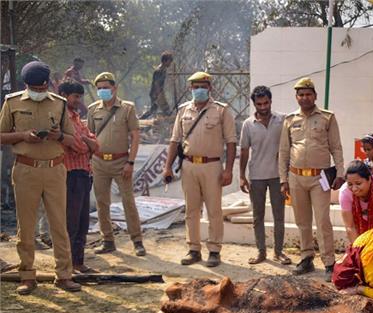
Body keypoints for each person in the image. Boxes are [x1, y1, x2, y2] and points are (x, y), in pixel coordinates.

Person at [0, 61, 81, 294]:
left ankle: (64, 275)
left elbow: (71, 140)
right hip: (26, 170)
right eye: (34, 87)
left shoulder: (60, 104)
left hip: (55, 169)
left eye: (42, 86)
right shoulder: (12, 102)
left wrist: (58, 136)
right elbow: (1, 135)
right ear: (26, 85)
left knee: (58, 224)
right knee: (26, 226)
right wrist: (23, 135)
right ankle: (27, 275)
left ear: (48, 83)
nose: (38, 91)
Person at [163, 71, 237, 267]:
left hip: (212, 166)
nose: (199, 90)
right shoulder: (183, 110)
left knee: (214, 210)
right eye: (196, 87)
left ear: (210, 87)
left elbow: (231, 142)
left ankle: (214, 250)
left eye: (203, 86)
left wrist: (228, 170)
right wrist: (167, 167)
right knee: (191, 210)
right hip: (188, 165)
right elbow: (174, 140)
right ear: (191, 89)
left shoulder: (221, 111)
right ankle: (193, 249)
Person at [279, 77, 345, 281]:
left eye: (308, 94)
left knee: (323, 220)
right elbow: (283, 151)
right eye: (301, 94)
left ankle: (329, 262)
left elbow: (336, 147)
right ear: (296, 97)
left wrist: (341, 173)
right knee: (302, 221)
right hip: (296, 177)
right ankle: (306, 257)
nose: (304, 97)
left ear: (315, 96)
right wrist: (283, 179)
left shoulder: (327, 117)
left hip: (320, 177)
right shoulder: (290, 120)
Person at [88, 72, 145, 256]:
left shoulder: (127, 108)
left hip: (121, 161)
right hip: (98, 162)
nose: (103, 91)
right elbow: (89, 137)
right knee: (102, 203)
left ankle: (137, 241)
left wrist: (130, 162)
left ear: (115, 88)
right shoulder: (93, 109)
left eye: (106, 87)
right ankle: (108, 241)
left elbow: (135, 136)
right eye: (100, 88)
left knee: (128, 202)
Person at [239, 85, 291, 265]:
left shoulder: (282, 120)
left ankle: (279, 252)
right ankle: (261, 252)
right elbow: (244, 151)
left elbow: (289, 146)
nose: (263, 107)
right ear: (254, 104)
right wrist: (241, 176)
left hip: (278, 176)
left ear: (270, 101)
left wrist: (288, 174)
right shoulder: (248, 124)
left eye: (266, 103)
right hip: (256, 176)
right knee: (257, 216)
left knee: (279, 216)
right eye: (259, 103)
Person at [58, 80, 99, 273]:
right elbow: (79, 147)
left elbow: (96, 145)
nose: (78, 100)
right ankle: (67, 264)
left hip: (84, 173)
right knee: (71, 222)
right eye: (75, 96)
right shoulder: (62, 118)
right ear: (64, 95)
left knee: (82, 221)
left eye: (79, 96)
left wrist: (86, 142)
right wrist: (86, 142)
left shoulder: (76, 117)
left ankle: (78, 262)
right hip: (70, 174)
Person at [140, 51, 173, 119]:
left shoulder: (163, 70)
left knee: (153, 110)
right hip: (156, 94)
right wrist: (159, 96)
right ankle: (141, 120)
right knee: (166, 110)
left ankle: (141, 120)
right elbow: (156, 84)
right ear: (165, 61)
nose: (170, 63)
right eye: (169, 61)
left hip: (158, 93)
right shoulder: (159, 70)